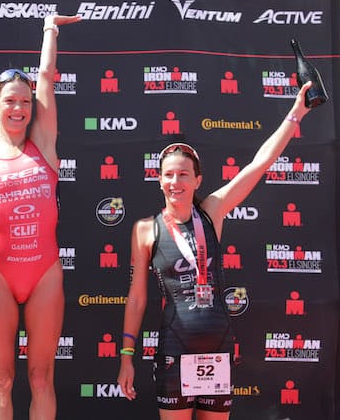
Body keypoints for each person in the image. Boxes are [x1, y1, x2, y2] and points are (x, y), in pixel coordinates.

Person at [116, 81, 314, 420]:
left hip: (218, 344)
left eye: (183, 174)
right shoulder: (145, 230)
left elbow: (259, 164)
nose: (175, 182)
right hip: (175, 347)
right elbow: (136, 298)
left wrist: (297, 112)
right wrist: (126, 357)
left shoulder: (211, 212)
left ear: (197, 180)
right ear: (159, 180)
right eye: (169, 175)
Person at [0, 14, 80, 419]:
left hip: (44, 271)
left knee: (42, 376)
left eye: (26, 102)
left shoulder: (43, 144)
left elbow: (46, 75)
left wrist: (50, 28)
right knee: (1, 378)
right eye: (10, 100)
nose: (19, 108)